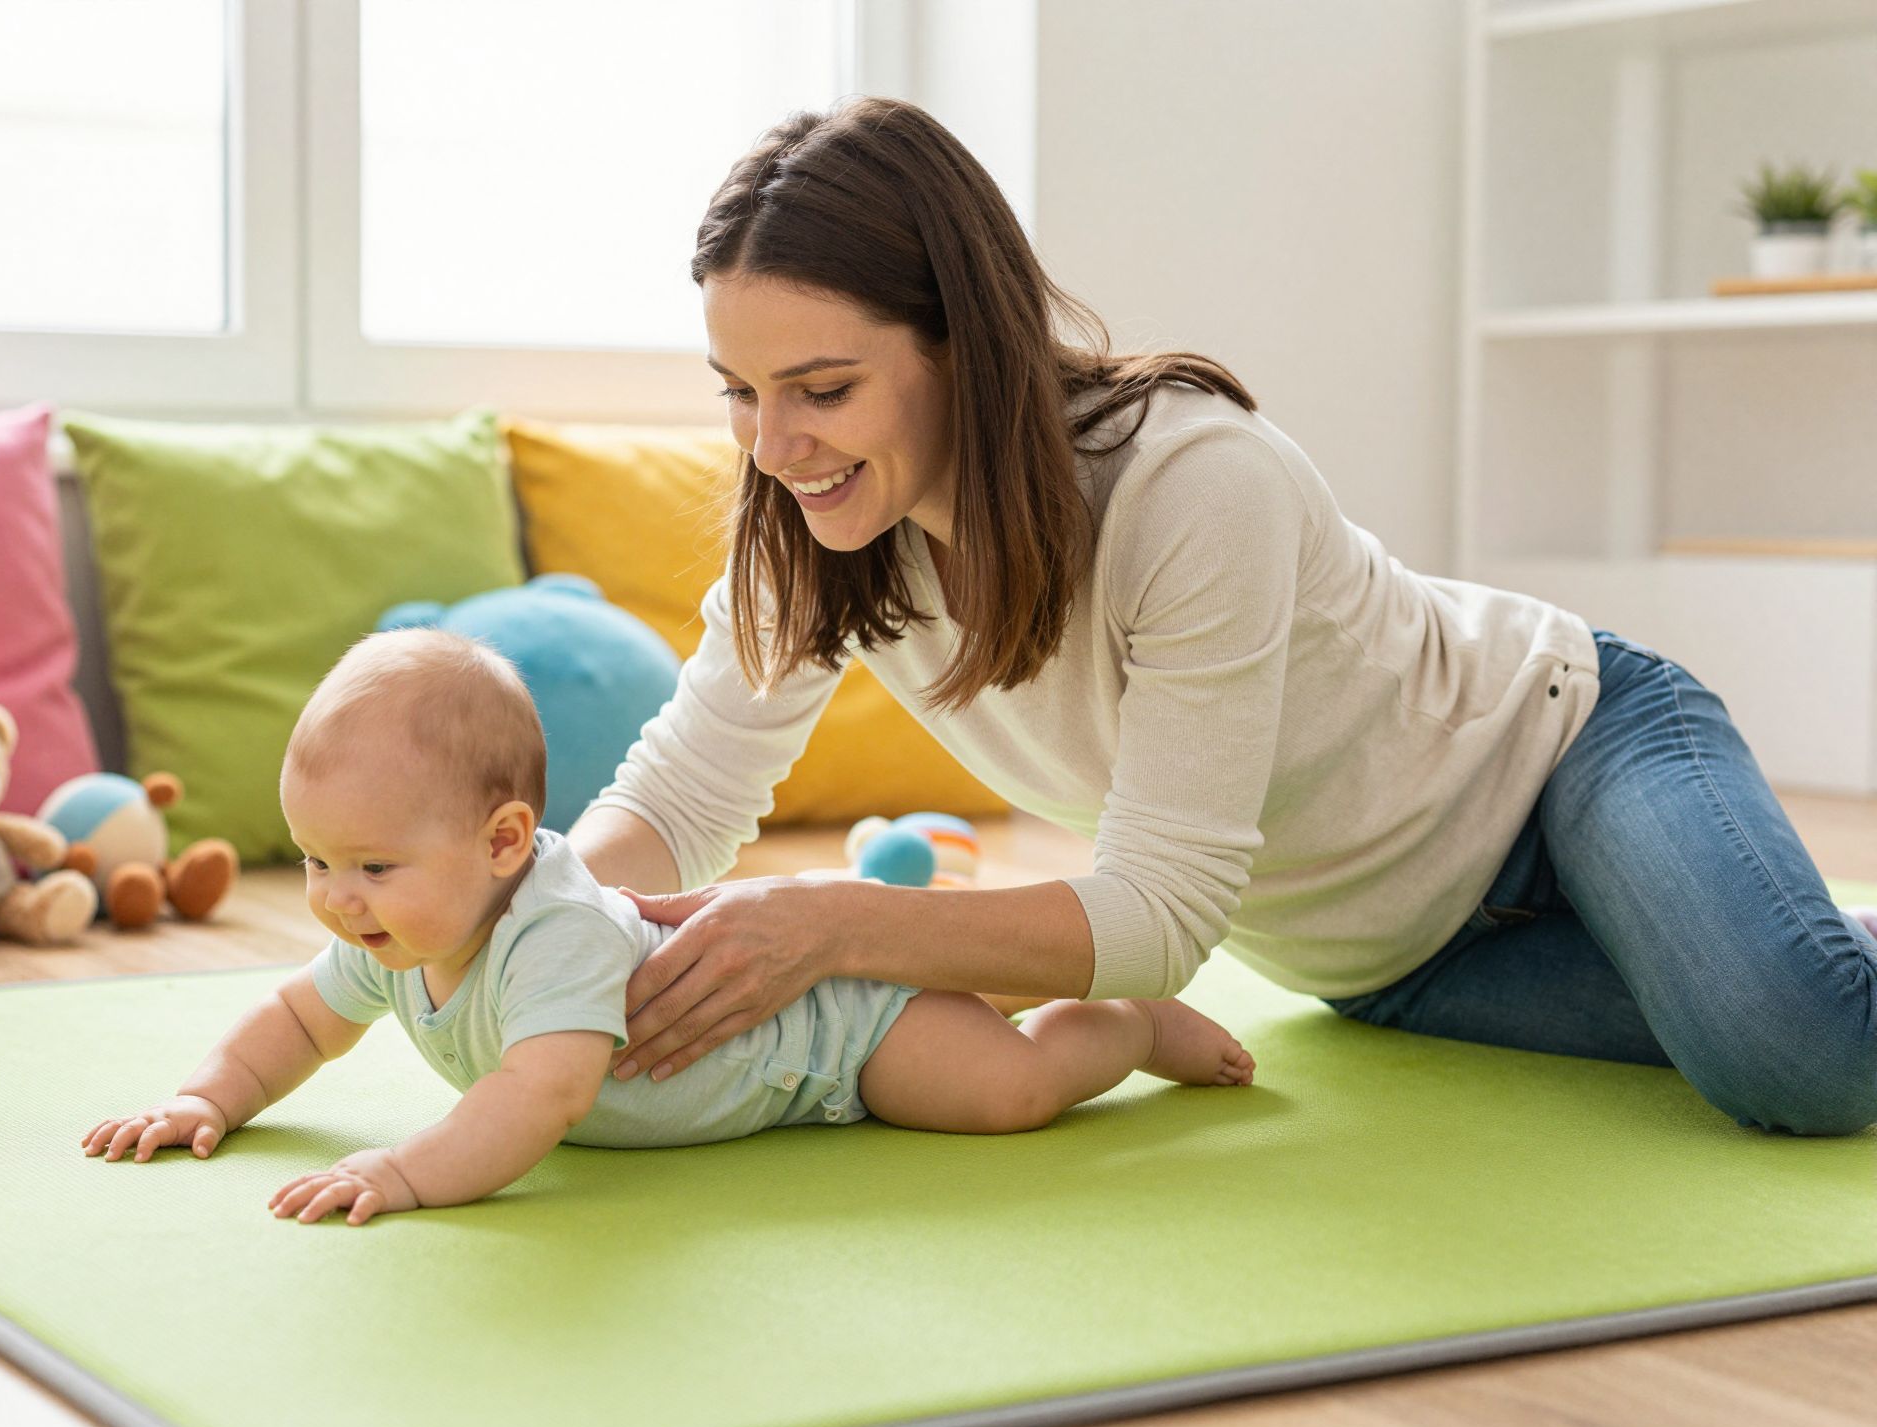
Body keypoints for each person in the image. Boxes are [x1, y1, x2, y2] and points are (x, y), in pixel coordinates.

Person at [571, 96, 1877, 1137]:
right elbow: (683, 799)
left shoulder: (1192, 480)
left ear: (961, 344)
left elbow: (1158, 914)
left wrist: (834, 922)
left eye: (821, 388)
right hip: (1385, 963)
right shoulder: (808, 542)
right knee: (1789, 1004)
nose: (776, 443)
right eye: (739, 390)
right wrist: (512, 927)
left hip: (1562, 755)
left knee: (1801, 1057)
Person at [78, 630, 1254, 1225]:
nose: (337, 896)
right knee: (979, 1046)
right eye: (319, 861)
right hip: (789, 1029)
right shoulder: (395, 930)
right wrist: (209, 1097)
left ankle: (1128, 1027)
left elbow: (541, 1097)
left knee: (1003, 1092)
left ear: (502, 842)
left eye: (371, 865)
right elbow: (295, 1019)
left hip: (836, 1037)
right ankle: (1036, 990)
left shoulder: (553, 936)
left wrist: (404, 1170)